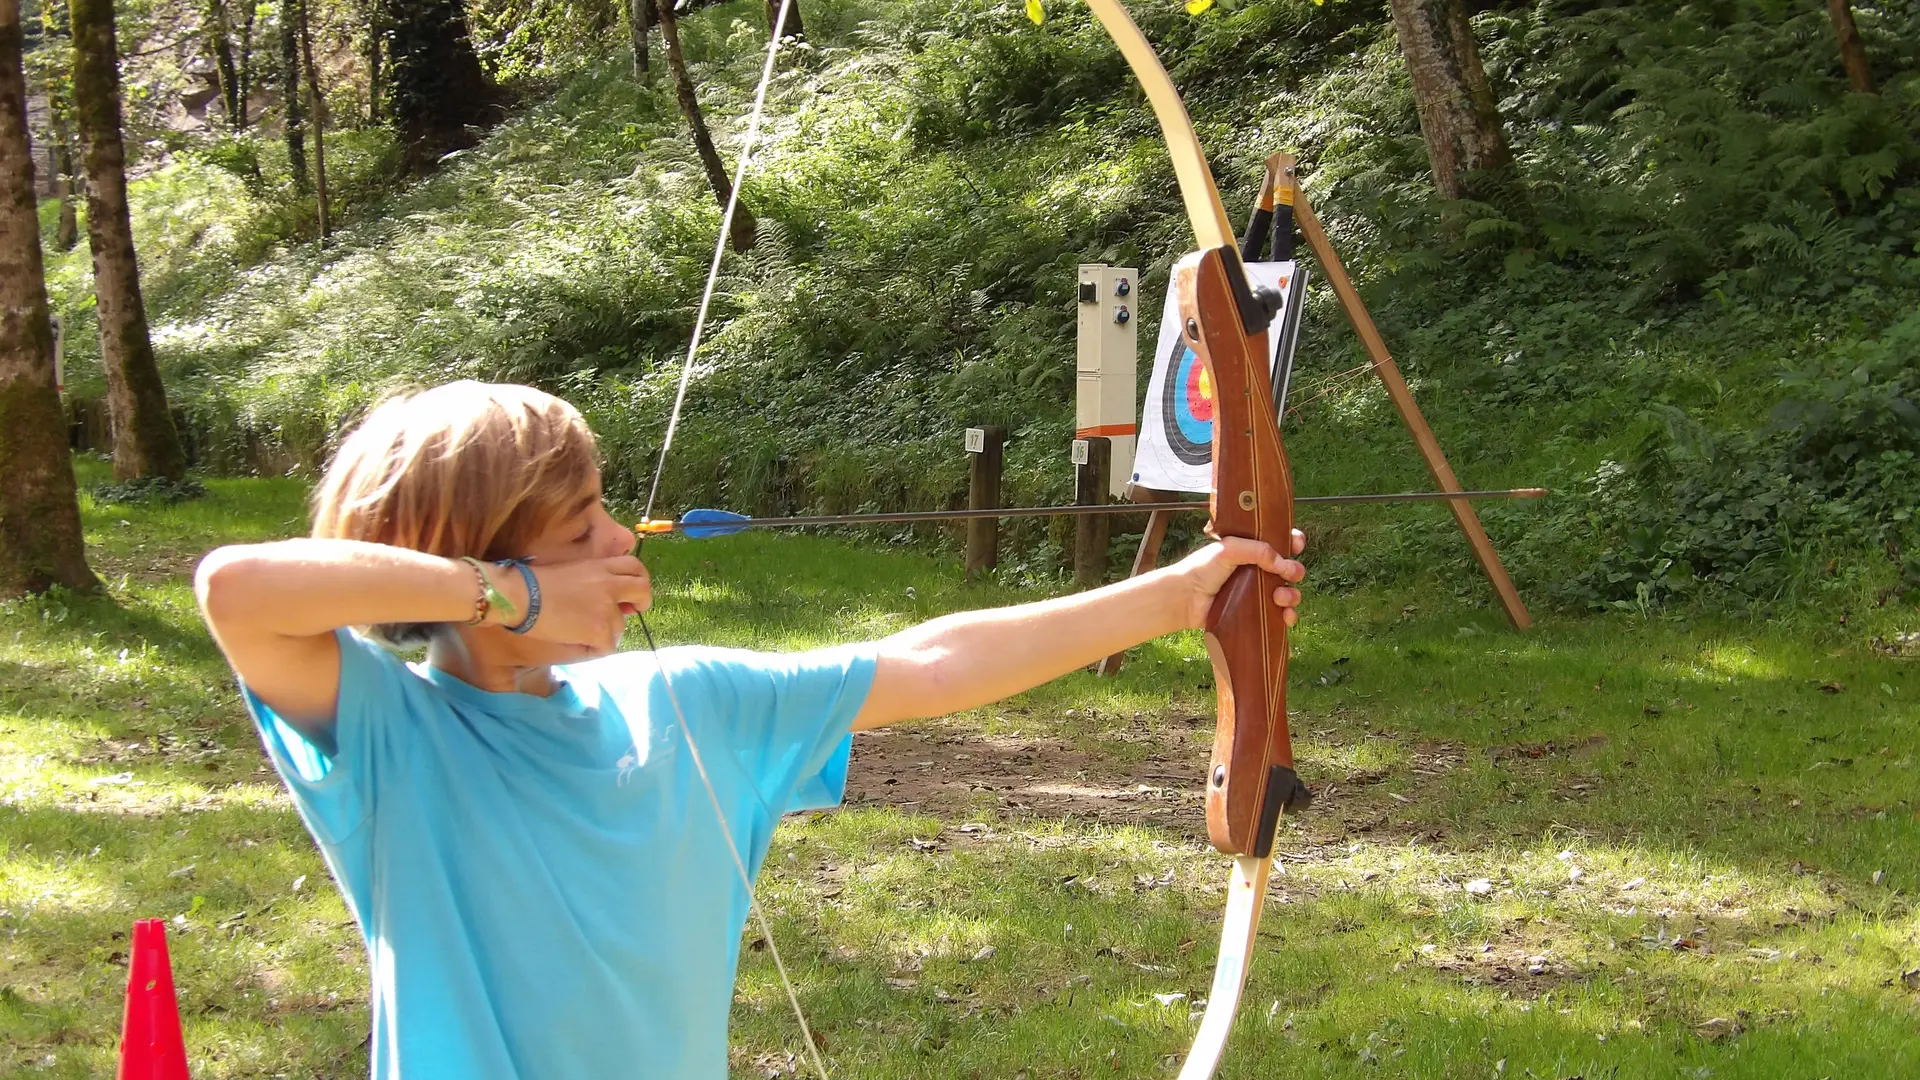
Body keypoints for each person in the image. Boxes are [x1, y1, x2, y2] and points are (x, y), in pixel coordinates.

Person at [194, 380, 1305, 1078]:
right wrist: (509, 601)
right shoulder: (390, 733)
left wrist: (1179, 597)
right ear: (481, 558)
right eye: (585, 526)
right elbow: (237, 587)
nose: (625, 535)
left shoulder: (686, 700)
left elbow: (932, 660)